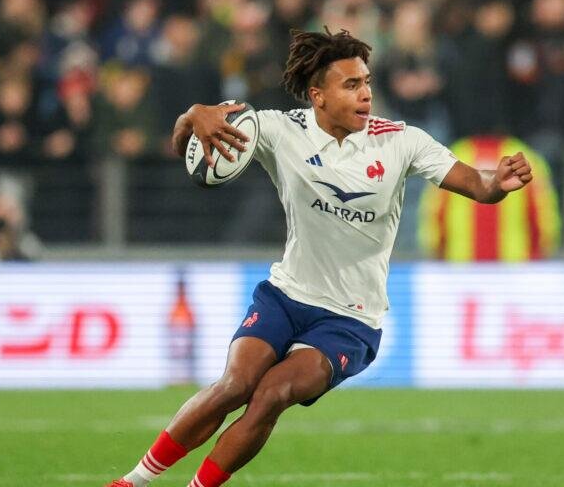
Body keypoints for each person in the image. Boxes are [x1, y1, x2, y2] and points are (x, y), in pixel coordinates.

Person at [104, 28, 533, 487]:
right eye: (351, 84)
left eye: (366, 82)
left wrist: (496, 182)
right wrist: (195, 114)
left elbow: (477, 185)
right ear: (318, 95)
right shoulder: (278, 130)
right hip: (286, 296)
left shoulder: (401, 141)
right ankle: (132, 482)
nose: (366, 94)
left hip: (350, 318)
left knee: (272, 394)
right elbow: (189, 133)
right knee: (235, 385)